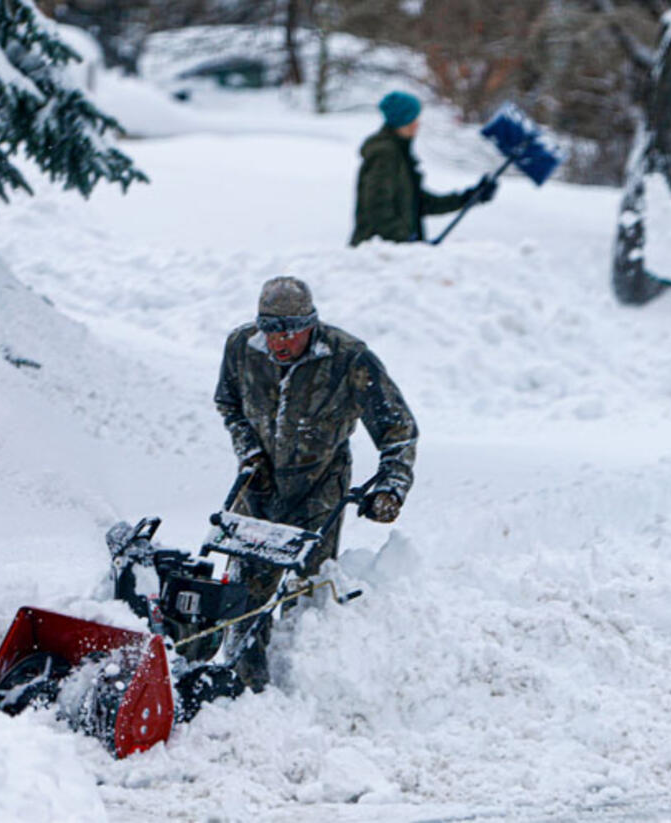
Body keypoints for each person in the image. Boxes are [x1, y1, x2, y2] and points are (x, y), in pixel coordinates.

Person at [214, 275, 418, 688]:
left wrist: (390, 485)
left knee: (304, 589)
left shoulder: (349, 358)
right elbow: (228, 404)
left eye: (290, 331)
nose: (279, 342)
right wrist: (249, 452)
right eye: (270, 331)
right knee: (245, 589)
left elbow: (399, 429)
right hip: (258, 483)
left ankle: (301, 682)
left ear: (311, 323)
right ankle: (243, 681)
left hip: (319, 486)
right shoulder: (241, 348)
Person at [349, 90, 498, 246]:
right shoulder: (385, 154)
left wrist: (470, 197)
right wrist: (404, 239)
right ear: (400, 121)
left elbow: (420, 202)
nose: (416, 124)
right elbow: (376, 206)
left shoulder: (400, 153)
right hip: (378, 254)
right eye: (412, 119)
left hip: (392, 252)